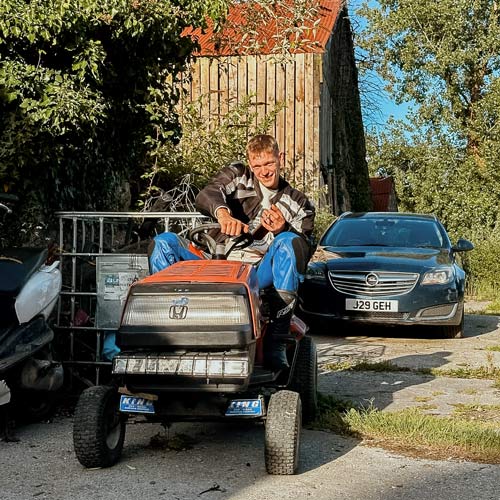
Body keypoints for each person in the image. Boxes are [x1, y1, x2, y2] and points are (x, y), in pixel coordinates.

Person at [149, 134, 315, 370]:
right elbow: (208, 193)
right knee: (163, 242)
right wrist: (223, 214)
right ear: (250, 164)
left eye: (269, 163)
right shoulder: (238, 175)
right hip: (214, 261)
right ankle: (168, 329)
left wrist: (282, 229)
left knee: (289, 241)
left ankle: (276, 339)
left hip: (256, 272)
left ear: (281, 158)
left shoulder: (300, 202)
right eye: (257, 166)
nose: (264, 171)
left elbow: (304, 248)